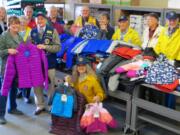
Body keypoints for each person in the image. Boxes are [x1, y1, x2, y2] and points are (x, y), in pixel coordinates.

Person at [31, 12, 61, 115]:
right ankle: (40, 105)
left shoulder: (53, 31)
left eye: (42, 19)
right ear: (35, 21)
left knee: (51, 85)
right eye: (38, 19)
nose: (40, 21)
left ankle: (50, 105)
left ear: (46, 20)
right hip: (36, 64)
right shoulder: (32, 32)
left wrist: (45, 47)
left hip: (50, 63)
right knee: (37, 85)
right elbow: (29, 47)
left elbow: (58, 47)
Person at [0, 16, 24, 125]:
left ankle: (12, 108)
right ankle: (1, 115)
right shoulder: (4, 36)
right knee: (4, 91)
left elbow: (22, 50)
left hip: (17, 68)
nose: (15, 25)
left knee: (14, 89)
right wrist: (8, 50)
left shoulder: (20, 36)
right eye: (13, 23)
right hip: (6, 68)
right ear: (9, 25)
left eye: (17, 23)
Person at [18, 15, 32, 103]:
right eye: (21, 22)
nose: (23, 24)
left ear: (27, 22)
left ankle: (26, 95)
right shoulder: (16, 32)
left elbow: (32, 45)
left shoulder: (30, 31)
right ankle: (21, 91)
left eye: (24, 22)